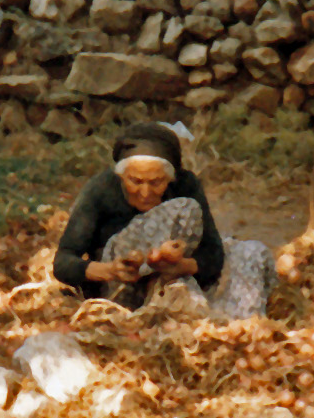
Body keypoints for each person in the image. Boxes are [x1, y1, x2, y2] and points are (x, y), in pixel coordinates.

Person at [53, 121, 277, 318]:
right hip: (122, 288)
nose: (145, 192)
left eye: (156, 182)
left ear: (170, 179)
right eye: (135, 181)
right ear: (121, 176)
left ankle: (234, 328)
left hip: (175, 279)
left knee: (250, 252)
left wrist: (182, 265)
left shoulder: (186, 185)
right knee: (185, 208)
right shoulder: (101, 190)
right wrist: (110, 270)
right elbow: (63, 262)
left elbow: (213, 251)